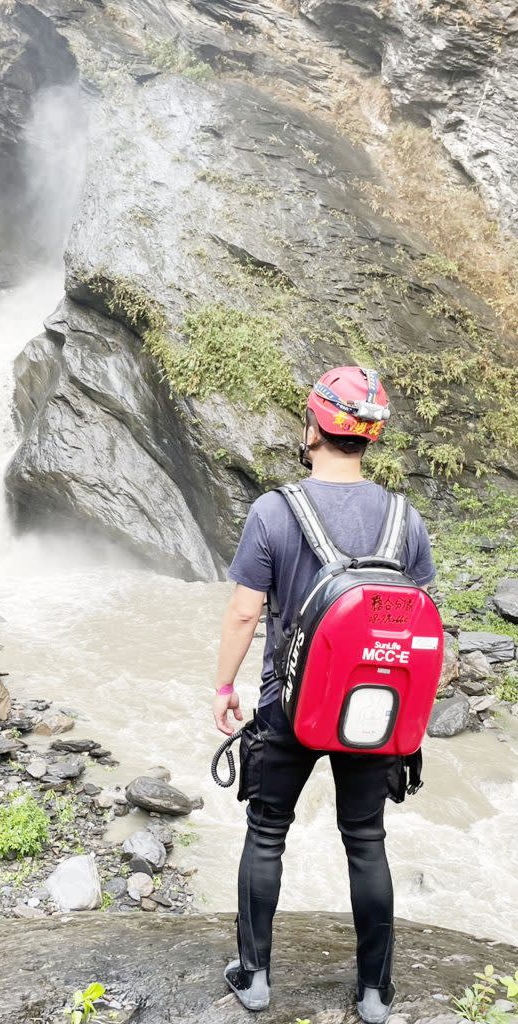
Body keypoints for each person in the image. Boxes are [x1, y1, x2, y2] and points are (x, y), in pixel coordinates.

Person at [212, 367, 436, 1022]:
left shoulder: (274, 511)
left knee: (266, 832)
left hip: (290, 704)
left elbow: (244, 615)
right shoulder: (404, 518)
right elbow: (423, 617)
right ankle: (373, 994)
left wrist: (225, 686)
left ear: (313, 428)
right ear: (367, 438)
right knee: (366, 839)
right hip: (375, 708)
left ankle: (253, 978)